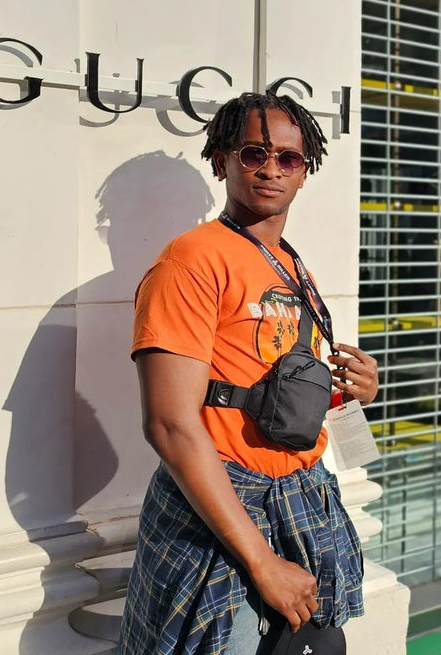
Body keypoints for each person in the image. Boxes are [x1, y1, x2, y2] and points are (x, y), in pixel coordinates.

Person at [118, 91, 379, 655]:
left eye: (288, 157)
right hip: (226, 520)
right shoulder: (190, 261)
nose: (271, 169)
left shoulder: (291, 263)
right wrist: (261, 563)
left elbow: (278, 383)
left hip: (300, 504)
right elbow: (169, 424)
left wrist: (355, 390)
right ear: (223, 161)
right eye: (254, 153)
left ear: (305, 171)